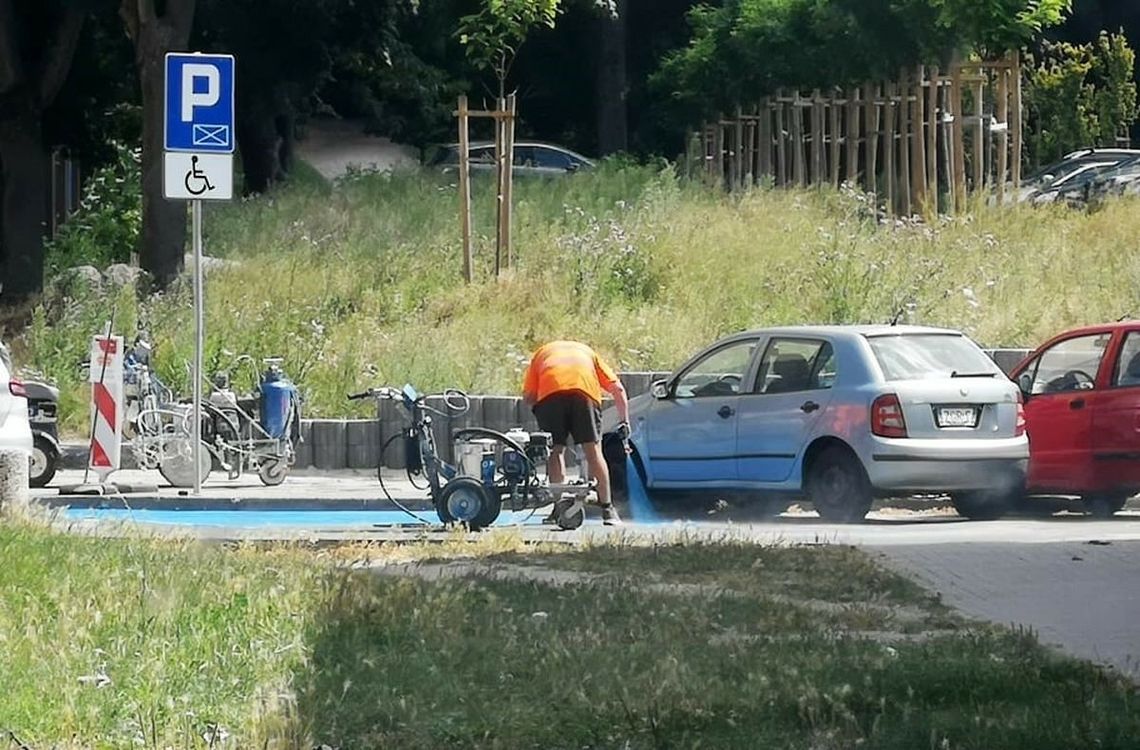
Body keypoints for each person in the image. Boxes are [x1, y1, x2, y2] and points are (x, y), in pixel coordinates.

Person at [522, 340, 629, 526]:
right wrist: (624, 422)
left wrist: (541, 411)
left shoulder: (541, 353)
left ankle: (558, 508)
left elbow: (529, 396)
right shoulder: (587, 352)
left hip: (550, 395)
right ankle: (608, 510)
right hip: (584, 394)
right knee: (594, 452)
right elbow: (617, 389)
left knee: (555, 451)